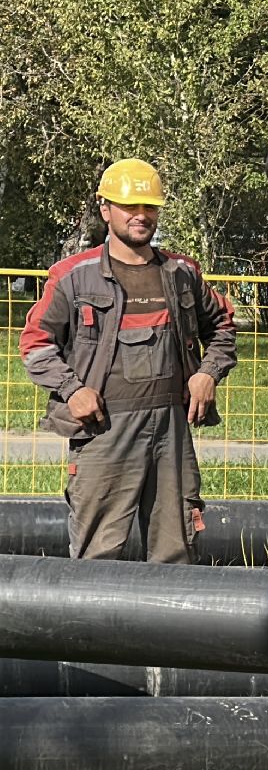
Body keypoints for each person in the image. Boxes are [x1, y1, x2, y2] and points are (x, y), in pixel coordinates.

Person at [18, 158, 238, 562]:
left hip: (170, 429)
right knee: (97, 553)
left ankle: (168, 626)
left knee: (177, 550)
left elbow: (223, 328)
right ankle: (88, 628)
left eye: (149, 207)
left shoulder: (181, 272)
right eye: (129, 206)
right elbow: (36, 344)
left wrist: (208, 373)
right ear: (105, 210)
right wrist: (72, 390)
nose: (141, 216)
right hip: (103, 429)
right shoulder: (73, 277)